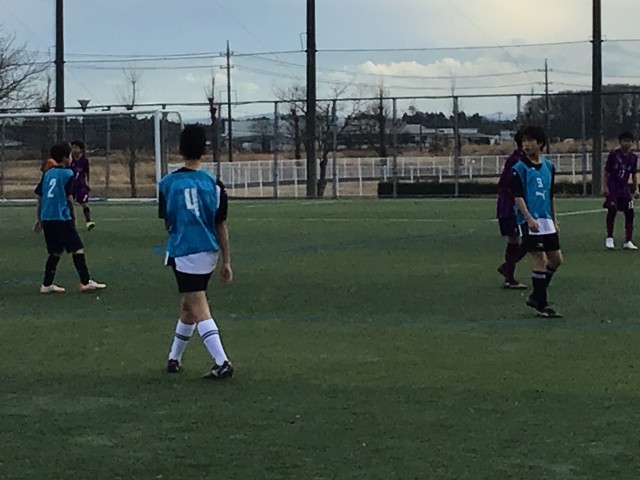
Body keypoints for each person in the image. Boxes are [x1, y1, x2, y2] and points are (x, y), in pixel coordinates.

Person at [159, 125, 234, 379]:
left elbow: (168, 222)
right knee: (188, 306)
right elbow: (220, 225)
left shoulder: (167, 184)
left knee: (199, 306)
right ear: (204, 150)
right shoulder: (214, 184)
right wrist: (226, 261)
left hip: (185, 251)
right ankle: (174, 358)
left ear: (180, 150)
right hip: (209, 252)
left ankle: (222, 361)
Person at [34, 142, 107, 294]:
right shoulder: (68, 174)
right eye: (70, 155)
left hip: (47, 217)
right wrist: (73, 216)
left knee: (55, 251)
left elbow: (40, 197)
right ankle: (85, 281)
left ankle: (46, 285)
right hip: (61, 217)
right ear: (65, 158)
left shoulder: (47, 174)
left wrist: (39, 219)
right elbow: (69, 198)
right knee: (77, 247)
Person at [510, 125, 563, 318]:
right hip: (529, 220)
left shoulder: (549, 166)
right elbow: (518, 196)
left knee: (556, 260)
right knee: (540, 258)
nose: (526, 145)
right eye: (523, 141)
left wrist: (555, 220)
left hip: (546, 219)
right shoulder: (519, 168)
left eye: (530, 141)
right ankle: (541, 304)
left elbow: (550, 195)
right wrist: (528, 218)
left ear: (540, 143)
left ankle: (535, 295)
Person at [496, 130, 527, 289]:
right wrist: (516, 198)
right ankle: (509, 277)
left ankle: (507, 269)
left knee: (528, 241)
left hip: (519, 205)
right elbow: (505, 183)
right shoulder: (516, 160)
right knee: (516, 239)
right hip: (510, 206)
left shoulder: (525, 159)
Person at [603, 131, 639, 250]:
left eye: (629, 141)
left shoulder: (633, 158)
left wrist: (636, 189)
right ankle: (609, 238)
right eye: (624, 141)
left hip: (624, 188)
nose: (627, 144)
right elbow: (606, 172)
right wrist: (605, 187)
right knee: (612, 210)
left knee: (630, 213)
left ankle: (628, 240)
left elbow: (634, 174)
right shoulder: (614, 154)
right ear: (620, 142)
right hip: (613, 187)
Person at [70, 140, 95, 231]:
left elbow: (87, 173)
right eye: (73, 147)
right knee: (70, 204)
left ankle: (89, 222)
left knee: (84, 204)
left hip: (81, 186)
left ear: (81, 149)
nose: (74, 150)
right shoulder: (70, 160)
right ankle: (72, 223)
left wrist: (88, 183)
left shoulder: (84, 161)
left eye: (76, 148)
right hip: (71, 186)